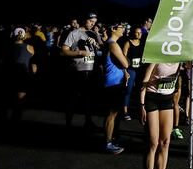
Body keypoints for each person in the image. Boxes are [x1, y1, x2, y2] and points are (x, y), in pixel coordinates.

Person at [140, 62, 180, 169]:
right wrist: (141, 105)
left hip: (167, 99)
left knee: (165, 142)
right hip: (152, 99)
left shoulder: (180, 56)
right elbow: (144, 81)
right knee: (153, 143)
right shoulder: (157, 54)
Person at [61, 13, 102, 129]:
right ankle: (68, 123)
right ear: (84, 20)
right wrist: (80, 53)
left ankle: (88, 121)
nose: (92, 24)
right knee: (73, 98)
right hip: (77, 70)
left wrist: (96, 45)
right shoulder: (74, 33)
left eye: (94, 22)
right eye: (90, 21)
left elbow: (101, 50)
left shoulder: (94, 33)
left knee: (88, 98)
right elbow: (64, 50)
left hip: (91, 69)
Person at [101, 22, 129, 154]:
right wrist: (125, 63)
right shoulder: (113, 44)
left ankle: (112, 138)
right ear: (113, 29)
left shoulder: (109, 43)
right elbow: (125, 63)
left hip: (113, 81)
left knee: (114, 113)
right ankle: (108, 142)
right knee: (111, 114)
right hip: (113, 83)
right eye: (121, 28)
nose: (123, 30)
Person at [0, 27, 37, 122]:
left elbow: (2, 62)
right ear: (24, 36)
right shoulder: (30, 48)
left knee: (6, 103)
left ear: (12, 35)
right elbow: (33, 64)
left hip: (8, 76)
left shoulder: (6, 47)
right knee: (19, 104)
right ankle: (16, 125)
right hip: (22, 76)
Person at [121, 26, 145, 121]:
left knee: (140, 90)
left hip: (140, 70)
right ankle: (125, 111)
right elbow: (123, 57)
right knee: (128, 90)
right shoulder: (128, 43)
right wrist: (125, 71)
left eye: (140, 33)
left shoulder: (142, 43)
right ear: (133, 33)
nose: (139, 34)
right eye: (137, 32)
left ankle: (141, 111)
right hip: (131, 69)